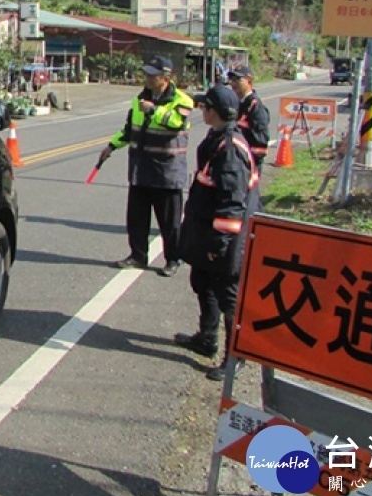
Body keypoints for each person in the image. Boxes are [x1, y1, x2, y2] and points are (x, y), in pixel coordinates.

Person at [173, 84, 258, 381]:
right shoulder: (218, 138)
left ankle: (235, 358)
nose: (201, 111)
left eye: (204, 106)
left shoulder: (231, 148)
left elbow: (232, 202)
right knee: (203, 283)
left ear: (215, 111)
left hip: (224, 238)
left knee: (227, 296)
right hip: (208, 232)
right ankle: (207, 338)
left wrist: (219, 243)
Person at [97, 57, 194, 275]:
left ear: (165, 78)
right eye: (147, 74)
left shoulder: (182, 100)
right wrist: (111, 146)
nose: (147, 78)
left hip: (167, 172)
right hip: (141, 170)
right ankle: (138, 256)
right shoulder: (139, 99)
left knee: (170, 222)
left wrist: (153, 110)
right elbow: (130, 129)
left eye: (153, 75)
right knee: (137, 219)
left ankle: (173, 259)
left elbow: (176, 123)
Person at [227, 64, 270, 170]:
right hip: (234, 161)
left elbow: (260, 141)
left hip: (247, 165)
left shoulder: (255, 106)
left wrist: (250, 163)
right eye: (232, 80)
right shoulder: (236, 103)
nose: (233, 83)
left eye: (238, 79)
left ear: (249, 82)